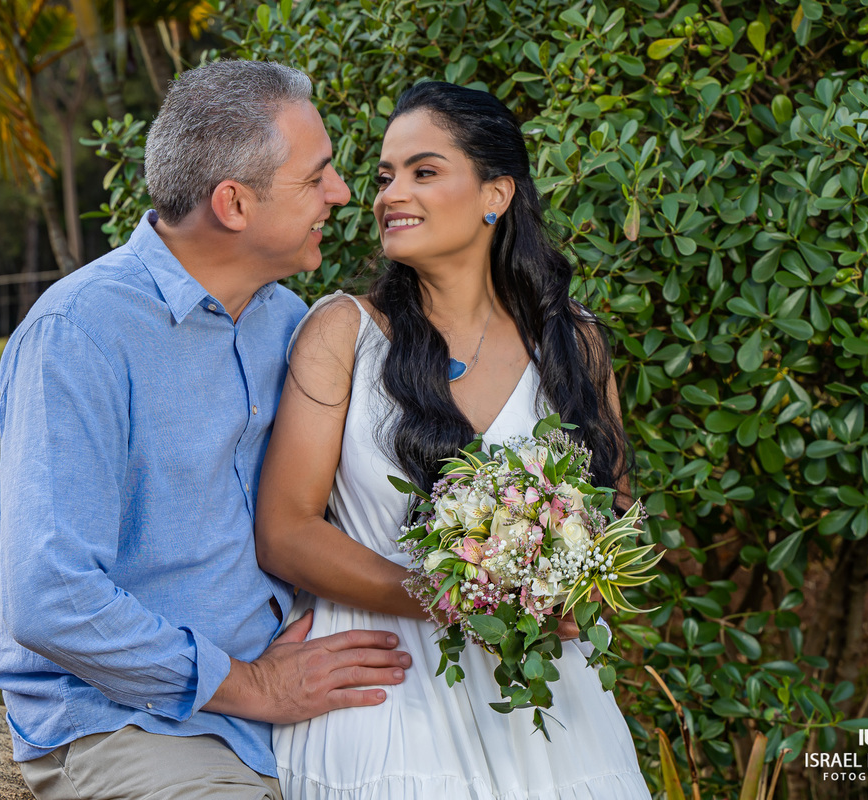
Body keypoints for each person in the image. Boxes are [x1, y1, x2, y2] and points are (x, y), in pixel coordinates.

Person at [0, 60, 412, 800]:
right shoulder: (79, 333)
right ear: (234, 204)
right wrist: (252, 684)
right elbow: (51, 597)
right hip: (134, 724)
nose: (343, 195)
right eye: (317, 178)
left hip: (285, 699)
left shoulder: (291, 323)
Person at [256, 81, 651, 799]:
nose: (389, 194)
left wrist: (568, 590)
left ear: (495, 195)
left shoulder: (576, 344)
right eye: (384, 176)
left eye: (423, 171)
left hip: (547, 705)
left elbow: (617, 525)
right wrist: (447, 597)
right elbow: (285, 531)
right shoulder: (342, 334)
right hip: (384, 690)